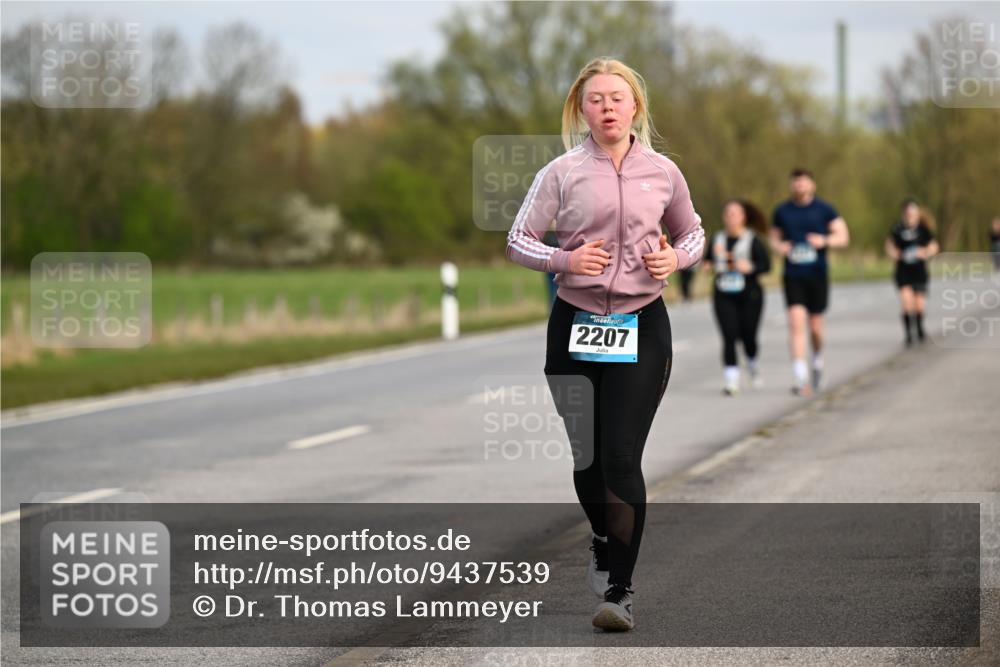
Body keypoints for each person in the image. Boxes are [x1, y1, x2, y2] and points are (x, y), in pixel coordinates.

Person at [506, 57, 705, 631]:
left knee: (620, 455)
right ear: (581, 109)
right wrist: (564, 259)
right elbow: (518, 240)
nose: (608, 107)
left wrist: (676, 256)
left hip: (642, 324)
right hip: (575, 322)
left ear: (635, 105)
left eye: (617, 97)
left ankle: (620, 590)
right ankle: (601, 535)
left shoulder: (663, 171)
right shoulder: (561, 173)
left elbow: (692, 231)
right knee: (587, 459)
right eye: (596, 99)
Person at [769, 168, 849, 397]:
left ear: (812, 185)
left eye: (803, 183)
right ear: (791, 185)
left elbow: (843, 237)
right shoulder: (782, 211)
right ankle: (800, 376)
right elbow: (774, 238)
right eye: (795, 183)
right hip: (793, 275)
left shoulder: (825, 209)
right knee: (795, 323)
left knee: (815, 327)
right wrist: (780, 247)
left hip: (817, 274)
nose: (799, 186)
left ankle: (817, 360)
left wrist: (823, 240)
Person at [704, 200, 771, 395]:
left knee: (748, 336)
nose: (731, 217)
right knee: (729, 336)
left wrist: (751, 268)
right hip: (723, 294)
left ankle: (752, 362)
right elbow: (708, 262)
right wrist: (707, 265)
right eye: (728, 213)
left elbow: (766, 265)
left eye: (735, 213)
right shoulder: (717, 238)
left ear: (743, 217)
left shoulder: (753, 240)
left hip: (750, 294)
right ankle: (731, 381)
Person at [885, 199, 939, 345]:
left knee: (919, 304)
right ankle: (909, 334)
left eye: (912, 212)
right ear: (904, 213)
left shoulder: (923, 229)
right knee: (906, 302)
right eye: (907, 212)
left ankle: (920, 329)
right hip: (903, 271)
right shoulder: (897, 229)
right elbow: (889, 246)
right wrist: (896, 254)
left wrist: (925, 252)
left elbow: (934, 246)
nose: (910, 215)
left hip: (919, 270)